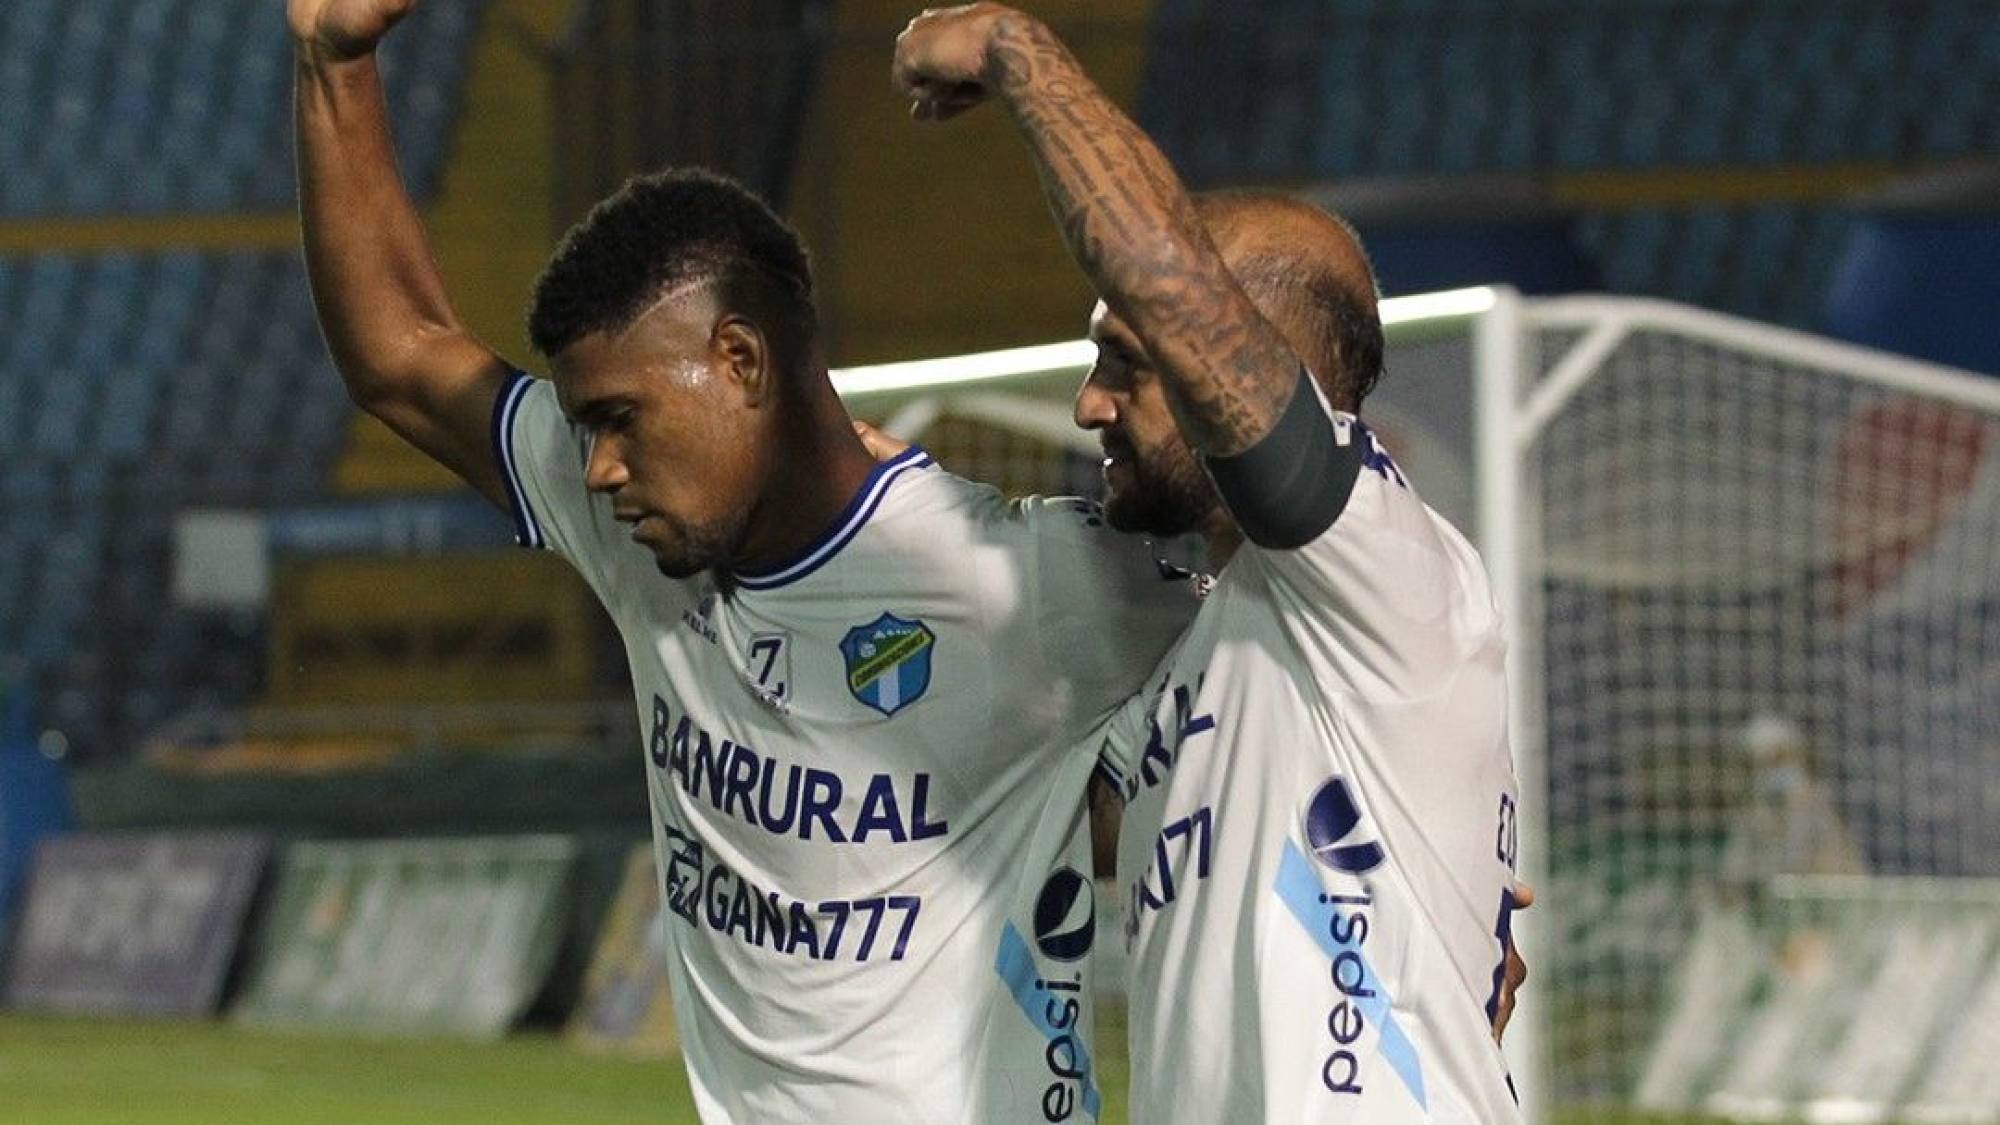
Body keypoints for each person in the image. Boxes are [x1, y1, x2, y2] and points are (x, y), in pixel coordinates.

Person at [290, 1, 1201, 1120]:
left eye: (620, 418)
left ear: (739, 359)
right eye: (585, 429)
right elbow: (399, 358)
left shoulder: (1024, 579)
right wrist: (334, 59)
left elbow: (1318, 655)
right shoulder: (644, 530)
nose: (598, 469)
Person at [894, 6, 1528, 1121]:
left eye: (1125, 364)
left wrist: (1013, 49)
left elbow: (1170, 285)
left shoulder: (1386, 562)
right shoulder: (1210, 641)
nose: (1088, 405)